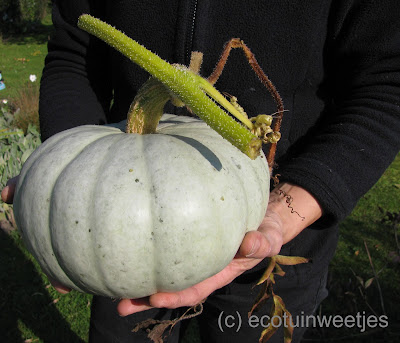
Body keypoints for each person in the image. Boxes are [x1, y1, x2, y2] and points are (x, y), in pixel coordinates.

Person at [2, 1, 400, 342]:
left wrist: (289, 207)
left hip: (278, 225)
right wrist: (70, 179)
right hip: (116, 238)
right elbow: (75, 53)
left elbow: (388, 80)